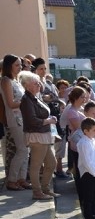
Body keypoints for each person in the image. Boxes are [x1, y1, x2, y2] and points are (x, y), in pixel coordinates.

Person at [19, 70, 58, 200]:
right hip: (37, 136)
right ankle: (37, 192)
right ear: (27, 85)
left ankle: (45, 189)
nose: (39, 85)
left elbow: (41, 114)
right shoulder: (26, 100)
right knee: (36, 165)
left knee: (51, 163)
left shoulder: (34, 97)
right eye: (36, 83)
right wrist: (49, 120)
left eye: (38, 83)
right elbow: (32, 120)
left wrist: (49, 118)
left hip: (43, 135)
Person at [1, 55, 28, 190]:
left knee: (25, 149)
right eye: (17, 65)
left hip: (23, 118)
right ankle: (12, 180)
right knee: (22, 150)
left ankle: (21, 179)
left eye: (20, 65)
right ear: (9, 66)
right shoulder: (6, 81)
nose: (20, 67)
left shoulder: (16, 80)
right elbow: (11, 103)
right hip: (15, 119)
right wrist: (27, 103)